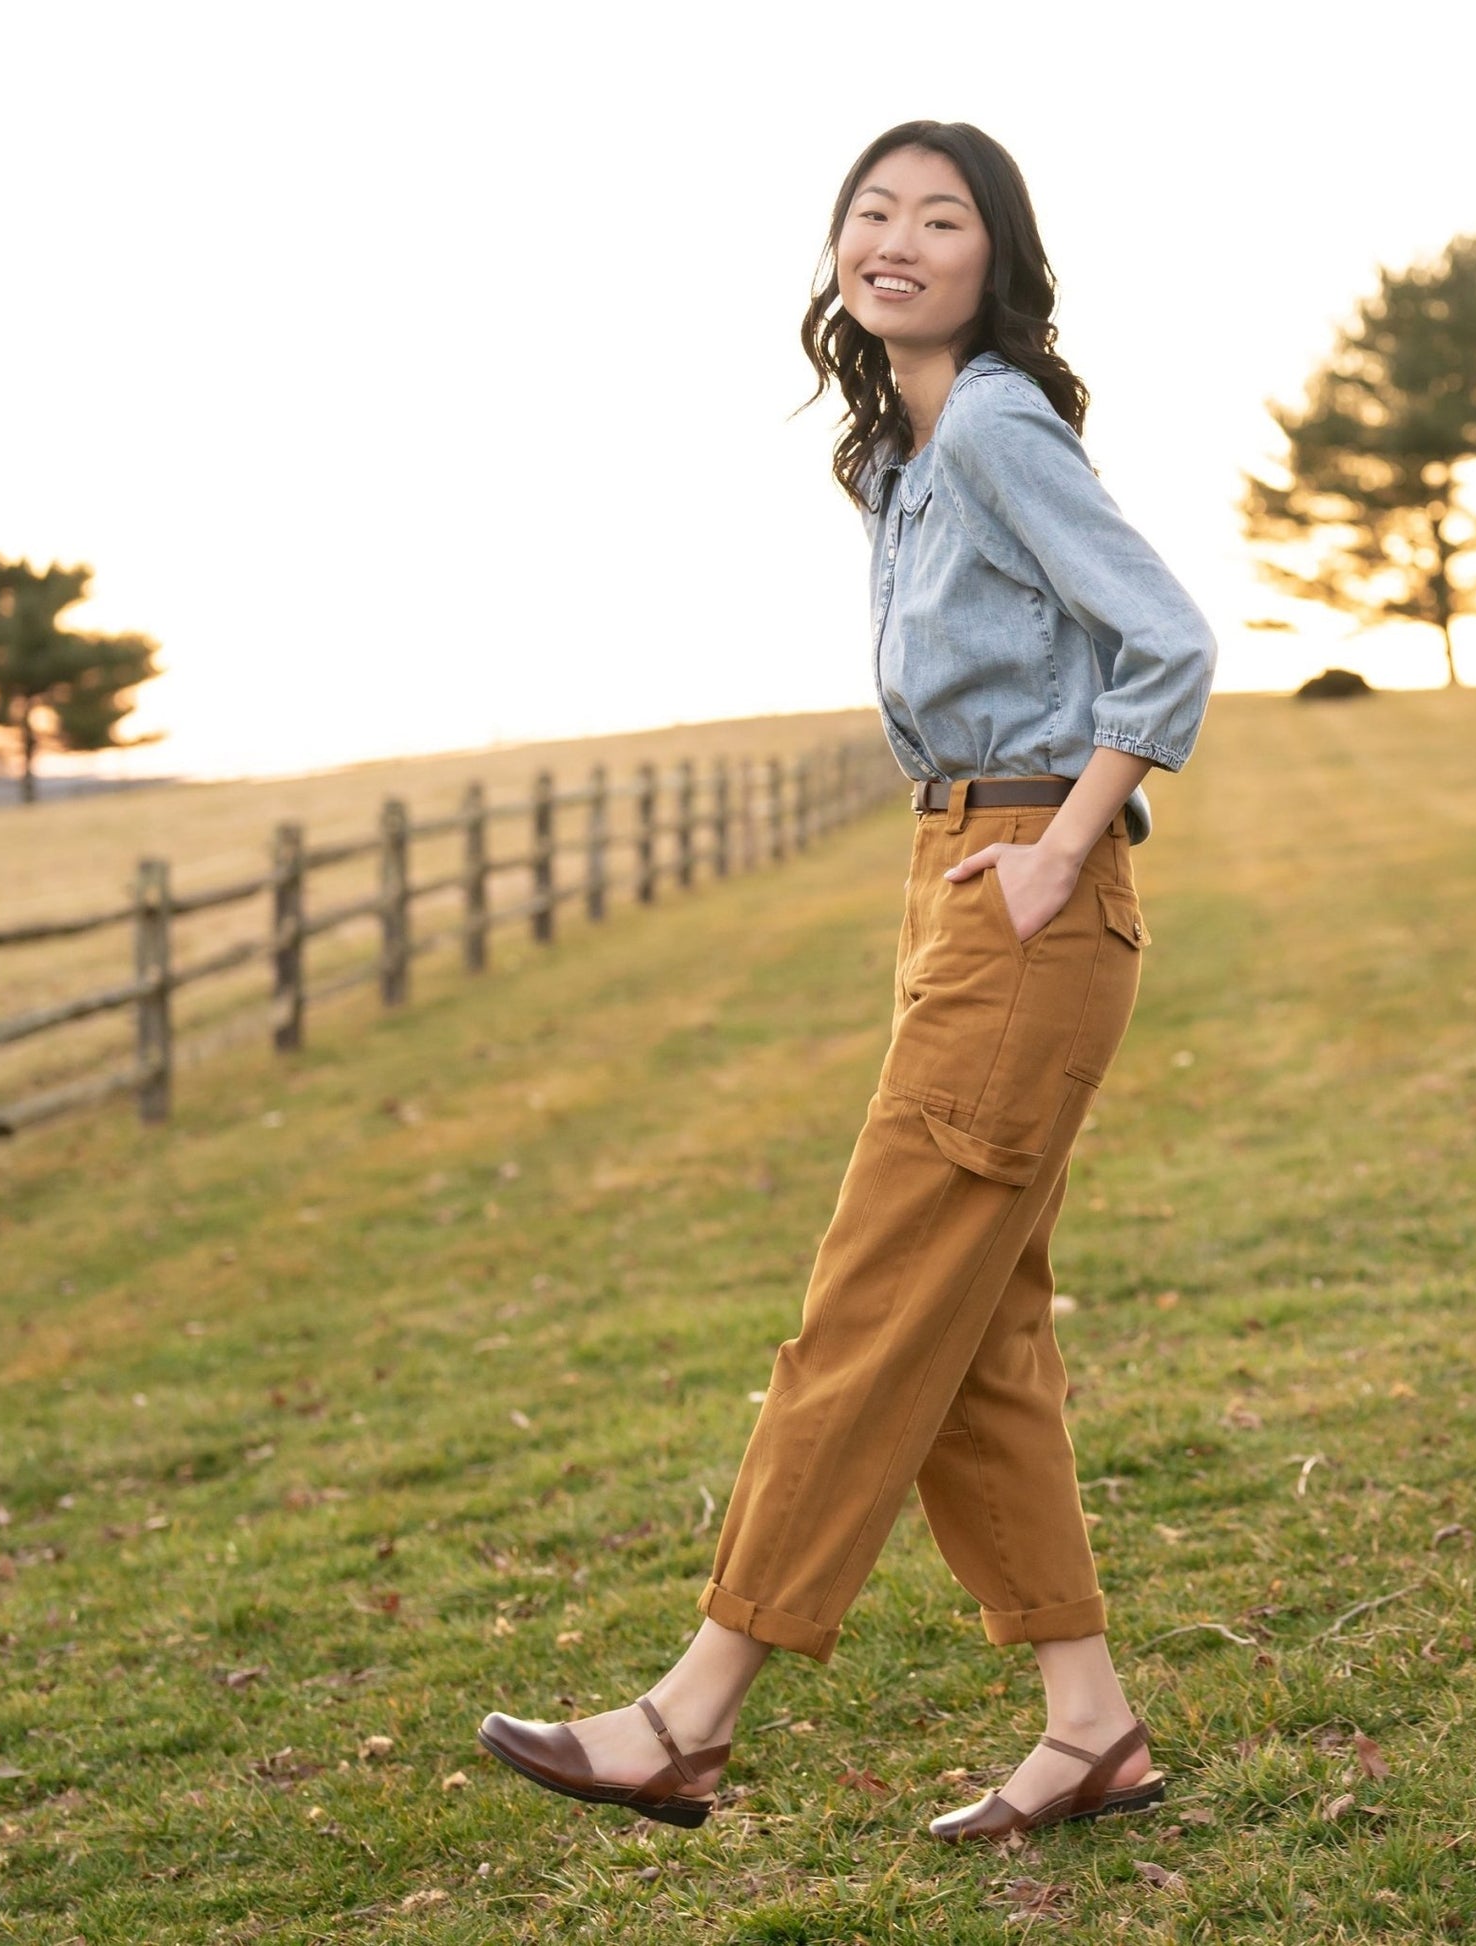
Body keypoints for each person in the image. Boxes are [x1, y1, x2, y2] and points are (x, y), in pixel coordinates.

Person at [479, 118, 1218, 1842]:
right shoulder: (904, 451)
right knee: (972, 1340)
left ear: (992, 259)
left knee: (867, 1313)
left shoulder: (994, 420)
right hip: (962, 882)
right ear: (836, 251)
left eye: (938, 216)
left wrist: (1056, 846)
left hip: (1025, 888)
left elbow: (1168, 635)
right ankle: (1087, 1724)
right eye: (868, 211)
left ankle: (687, 1711)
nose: (895, 236)